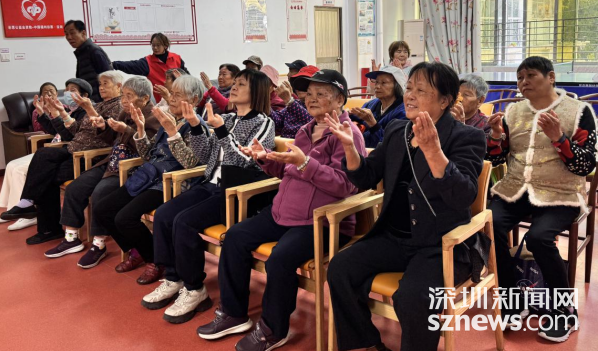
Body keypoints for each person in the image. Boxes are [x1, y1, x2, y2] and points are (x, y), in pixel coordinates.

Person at [197, 69, 367, 351]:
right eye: (308, 94)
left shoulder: (348, 134)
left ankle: (273, 329)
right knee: (235, 236)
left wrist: (305, 164)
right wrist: (266, 159)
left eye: (321, 94)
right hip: (283, 212)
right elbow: (287, 169)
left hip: (322, 222)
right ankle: (233, 313)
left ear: (340, 99)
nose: (311, 99)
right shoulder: (305, 130)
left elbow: (346, 186)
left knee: (280, 258)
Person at [326, 62, 486, 351]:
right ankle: (366, 344)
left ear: (445, 101)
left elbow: (463, 195)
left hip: (440, 245)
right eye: (409, 88)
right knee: (340, 268)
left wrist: (433, 151)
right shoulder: (397, 130)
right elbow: (366, 177)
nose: (410, 95)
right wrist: (350, 148)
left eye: (421, 90)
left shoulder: (466, 136)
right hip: (393, 238)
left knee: (413, 297)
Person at [141, 69, 275, 324]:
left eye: (241, 84)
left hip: (233, 193)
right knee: (165, 214)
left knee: (184, 222)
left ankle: (194, 289)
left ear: (256, 91)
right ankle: (173, 278)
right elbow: (205, 157)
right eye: (234, 83)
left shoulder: (264, 123)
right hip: (210, 184)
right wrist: (195, 125)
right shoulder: (227, 117)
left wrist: (221, 130)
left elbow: (244, 161)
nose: (233, 87)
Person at [487, 56, 596, 343]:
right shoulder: (513, 111)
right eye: (519, 77)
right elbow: (496, 158)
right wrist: (496, 137)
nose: (523, 82)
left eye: (530, 75)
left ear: (551, 77)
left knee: (539, 238)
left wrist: (559, 137)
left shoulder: (579, 112)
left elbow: (586, 165)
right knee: (489, 226)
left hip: (561, 192)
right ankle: (512, 301)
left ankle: (564, 311)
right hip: (516, 189)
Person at [92, 75, 209, 285]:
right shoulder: (168, 118)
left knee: (124, 218)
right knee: (102, 209)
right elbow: (148, 155)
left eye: (178, 95)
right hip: (148, 176)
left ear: (193, 100)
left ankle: (156, 260)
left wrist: (173, 133)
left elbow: (191, 164)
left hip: (171, 183)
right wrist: (140, 129)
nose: (172, 99)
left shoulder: (196, 126)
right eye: (171, 94)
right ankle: (137, 250)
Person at [43, 76, 160, 268]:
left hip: (131, 168)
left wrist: (127, 130)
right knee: (75, 187)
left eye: (129, 96)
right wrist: (104, 126)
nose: (124, 100)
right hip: (112, 162)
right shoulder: (124, 112)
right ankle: (71, 238)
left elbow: (149, 152)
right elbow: (111, 140)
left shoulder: (154, 117)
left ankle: (98, 244)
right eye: (123, 95)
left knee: (100, 193)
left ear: (145, 98)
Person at [0, 72, 124, 245]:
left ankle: (42, 221)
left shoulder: (119, 107)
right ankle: (39, 218)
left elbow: (108, 135)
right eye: (100, 84)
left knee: (45, 173)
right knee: (44, 163)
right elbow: (75, 130)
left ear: (118, 86)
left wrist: (86, 110)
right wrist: (60, 113)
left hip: (89, 156)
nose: (101, 87)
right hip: (74, 148)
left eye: (106, 83)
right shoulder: (98, 104)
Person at [0, 82, 61, 230]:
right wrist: (43, 113)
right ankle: (13, 210)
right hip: (47, 147)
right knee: (11, 165)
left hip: (56, 149)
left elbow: (65, 130)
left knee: (20, 170)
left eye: (52, 91)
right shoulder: (38, 110)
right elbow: (41, 129)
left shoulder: (65, 109)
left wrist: (56, 113)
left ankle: (28, 215)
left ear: (58, 94)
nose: (49, 95)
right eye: (46, 92)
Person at [112, 33, 189, 102]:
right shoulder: (147, 62)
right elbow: (130, 65)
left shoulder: (176, 58)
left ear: (165, 46)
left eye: (158, 45)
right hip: (163, 102)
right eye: (153, 45)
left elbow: (188, 78)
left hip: (181, 99)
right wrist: (113, 64)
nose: (155, 48)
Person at [350, 65, 406, 148]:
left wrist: (373, 125)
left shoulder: (403, 112)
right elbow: (356, 117)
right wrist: (346, 114)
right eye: (376, 82)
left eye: (383, 83)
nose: (377, 86)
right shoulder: (371, 104)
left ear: (397, 86)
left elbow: (391, 144)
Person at [64, 20, 112, 103]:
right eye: (66, 34)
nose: (69, 37)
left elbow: (109, 77)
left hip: (100, 102)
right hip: (90, 101)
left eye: (72, 33)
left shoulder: (94, 51)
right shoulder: (81, 53)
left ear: (83, 33)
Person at [270, 65, 318, 138]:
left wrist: (289, 101)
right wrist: (263, 103)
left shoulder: (318, 105)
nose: (300, 87)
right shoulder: (296, 103)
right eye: (298, 83)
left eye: (305, 83)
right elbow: (277, 121)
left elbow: (313, 121)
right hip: (284, 143)